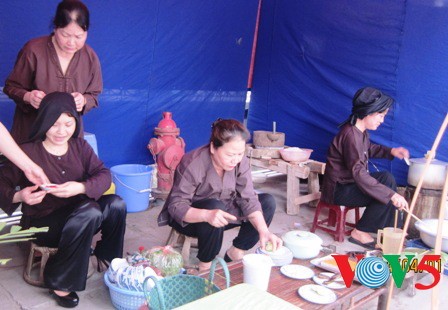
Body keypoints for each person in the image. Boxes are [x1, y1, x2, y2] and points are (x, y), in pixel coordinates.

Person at [0, 92, 126, 308]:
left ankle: (109, 257)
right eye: (55, 124)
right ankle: (60, 281)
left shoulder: (80, 147)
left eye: (68, 124)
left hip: (82, 216)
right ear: (44, 121)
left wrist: (81, 187)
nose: (62, 131)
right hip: (44, 221)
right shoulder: (27, 151)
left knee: (116, 203)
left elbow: (104, 175)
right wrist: (20, 196)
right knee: (91, 210)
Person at [158, 119, 282, 272]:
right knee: (214, 207)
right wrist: (206, 215)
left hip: (224, 212)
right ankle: (205, 266)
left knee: (267, 202)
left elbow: (248, 197)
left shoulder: (239, 162)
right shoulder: (193, 163)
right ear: (213, 148)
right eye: (230, 154)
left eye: (240, 153)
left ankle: (236, 251)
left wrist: (264, 231)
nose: (235, 160)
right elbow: (176, 206)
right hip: (190, 219)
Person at [321, 87, 410, 250]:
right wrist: (391, 195)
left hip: (348, 185)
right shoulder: (350, 135)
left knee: (386, 179)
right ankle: (360, 232)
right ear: (369, 112)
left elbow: (368, 148)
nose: (382, 120)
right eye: (381, 115)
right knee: (386, 190)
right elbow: (359, 174)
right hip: (339, 190)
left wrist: (391, 151)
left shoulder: (359, 131)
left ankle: (390, 230)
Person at [3, 0, 102, 144]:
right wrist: (28, 96)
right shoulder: (33, 50)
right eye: (65, 35)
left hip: (68, 140)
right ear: (55, 27)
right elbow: (11, 87)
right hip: (32, 136)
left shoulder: (90, 57)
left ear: (86, 32)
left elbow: (94, 94)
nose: (71, 42)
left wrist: (84, 100)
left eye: (79, 36)